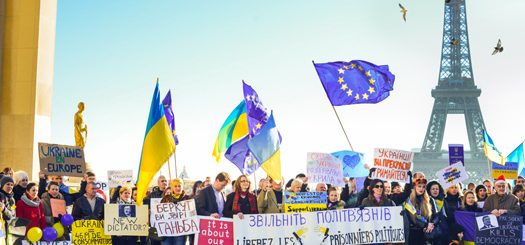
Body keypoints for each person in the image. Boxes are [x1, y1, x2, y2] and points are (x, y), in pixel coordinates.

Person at [404, 177, 437, 245]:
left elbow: (436, 215)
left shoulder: (429, 200)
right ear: (414, 187)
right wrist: (425, 224)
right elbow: (412, 217)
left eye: (423, 187)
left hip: (426, 233)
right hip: (413, 234)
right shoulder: (408, 200)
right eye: (419, 186)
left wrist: (432, 224)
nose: (421, 189)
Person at [160, 178, 191, 245]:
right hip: (167, 232)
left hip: (181, 232)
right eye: (175, 186)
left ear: (182, 187)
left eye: (179, 186)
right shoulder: (166, 198)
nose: (177, 188)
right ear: (172, 188)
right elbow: (159, 214)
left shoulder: (187, 199)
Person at [426, 181, 449, 245]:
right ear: (429, 190)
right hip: (433, 231)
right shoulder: (426, 201)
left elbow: (448, 215)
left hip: (444, 230)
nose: (435, 191)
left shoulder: (443, 200)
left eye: (437, 189)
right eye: (433, 189)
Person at [0, 176, 16, 243]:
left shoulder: (12, 199)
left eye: (12, 185)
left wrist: (4, 209)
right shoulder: (0, 196)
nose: (10, 186)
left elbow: (12, 215)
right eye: (8, 184)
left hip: (8, 229)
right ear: (2, 185)